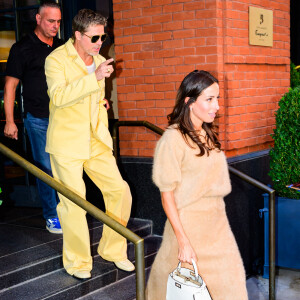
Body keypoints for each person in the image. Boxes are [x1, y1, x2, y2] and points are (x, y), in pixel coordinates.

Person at [44, 9, 134, 280]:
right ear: (78, 35)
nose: (100, 43)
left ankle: (113, 250)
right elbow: (58, 97)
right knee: (74, 204)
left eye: (103, 37)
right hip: (67, 142)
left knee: (120, 191)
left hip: (95, 139)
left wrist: (101, 102)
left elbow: (92, 99)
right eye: (94, 37)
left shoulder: (99, 59)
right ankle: (78, 262)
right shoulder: (55, 60)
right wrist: (93, 79)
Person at [146, 70, 248, 299]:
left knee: (232, 286)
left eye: (218, 98)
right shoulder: (172, 140)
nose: (217, 106)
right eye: (209, 99)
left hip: (218, 225)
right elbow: (167, 195)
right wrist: (183, 241)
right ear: (189, 102)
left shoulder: (207, 134)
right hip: (189, 227)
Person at [4, 0, 63, 234]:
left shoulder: (62, 47)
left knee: (65, 168)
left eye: (58, 21)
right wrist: (10, 120)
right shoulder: (22, 48)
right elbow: (10, 87)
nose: (55, 26)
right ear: (38, 19)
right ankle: (52, 215)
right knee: (45, 169)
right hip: (38, 119)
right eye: (50, 21)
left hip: (64, 119)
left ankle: (67, 210)